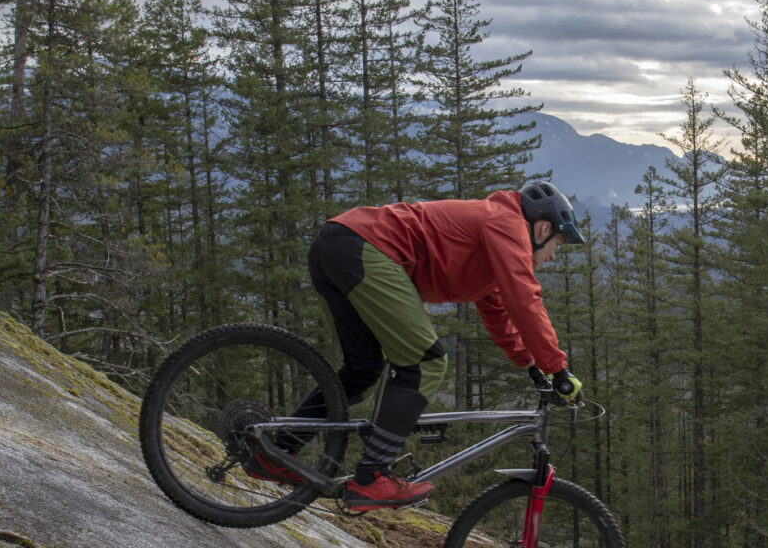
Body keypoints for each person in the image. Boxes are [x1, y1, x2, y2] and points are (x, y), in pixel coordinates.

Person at [249, 180, 587, 513]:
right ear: (542, 228)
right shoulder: (505, 222)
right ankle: (373, 476)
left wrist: (530, 362)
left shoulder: (494, 232)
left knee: (362, 369)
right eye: (557, 243)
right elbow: (524, 297)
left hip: (336, 245)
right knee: (427, 363)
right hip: (365, 248)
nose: (555, 255)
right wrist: (558, 367)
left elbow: (498, 309)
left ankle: (276, 451)